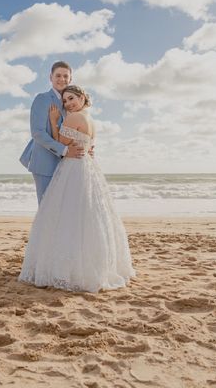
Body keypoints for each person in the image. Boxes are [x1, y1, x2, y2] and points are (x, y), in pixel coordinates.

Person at [18, 85, 135, 293]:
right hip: (88, 167)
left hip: (73, 166)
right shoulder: (91, 120)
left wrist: (54, 122)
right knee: (88, 214)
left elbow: (60, 143)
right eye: (65, 101)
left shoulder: (72, 118)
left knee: (66, 215)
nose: (68, 103)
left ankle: (65, 266)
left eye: (72, 98)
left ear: (82, 98)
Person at [19, 61, 85, 204]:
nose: (62, 79)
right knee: (46, 210)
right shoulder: (42, 99)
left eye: (65, 76)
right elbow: (37, 133)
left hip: (67, 165)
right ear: (51, 77)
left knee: (62, 210)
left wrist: (86, 148)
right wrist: (64, 150)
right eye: (58, 76)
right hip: (45, 163)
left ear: (70, 79)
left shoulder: (71, 103)